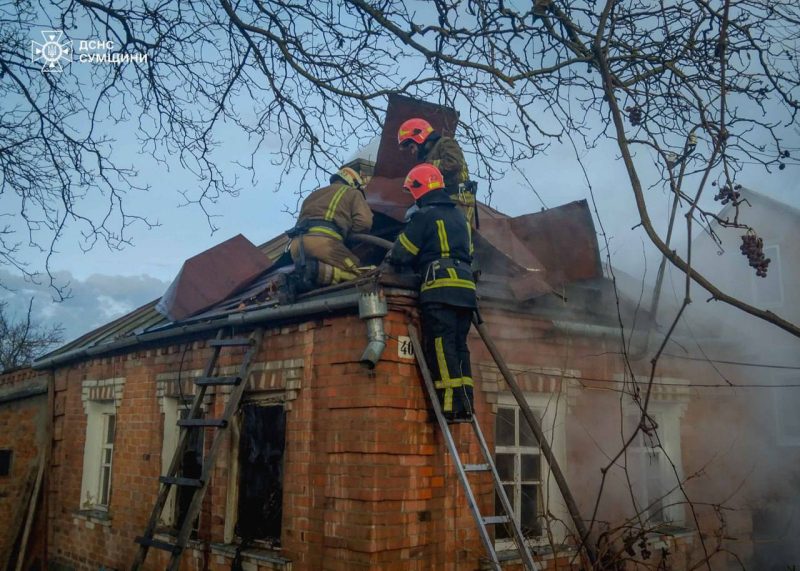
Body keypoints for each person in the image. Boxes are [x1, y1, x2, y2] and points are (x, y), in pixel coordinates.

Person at [388, 163, 477, 422]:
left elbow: (402, 253)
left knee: (441, 345)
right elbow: (469, 253)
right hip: (466, 290)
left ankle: (450, 404)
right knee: (460, 346)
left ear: (419, 188)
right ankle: (466, 403)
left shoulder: (424, 216)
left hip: (440, 290)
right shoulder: (461, 216)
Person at [288, 166, 373, 287]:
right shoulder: (352, 192)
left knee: (314, 277)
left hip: (296, 246)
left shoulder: (312, 196)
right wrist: (351, 239)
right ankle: (314, 270)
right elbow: (364, 222)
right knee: (364, 275)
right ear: (353, 183)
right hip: (324, 244)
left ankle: (295, 282)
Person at [397, 118, 477, 228]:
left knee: (456, 234)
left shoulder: (445, 142)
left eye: (412, 147)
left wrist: (427, 168)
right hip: (445, 200)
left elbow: (453, 163)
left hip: (459, 200)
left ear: (419, 137)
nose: (413, 152)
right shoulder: (429, 155)